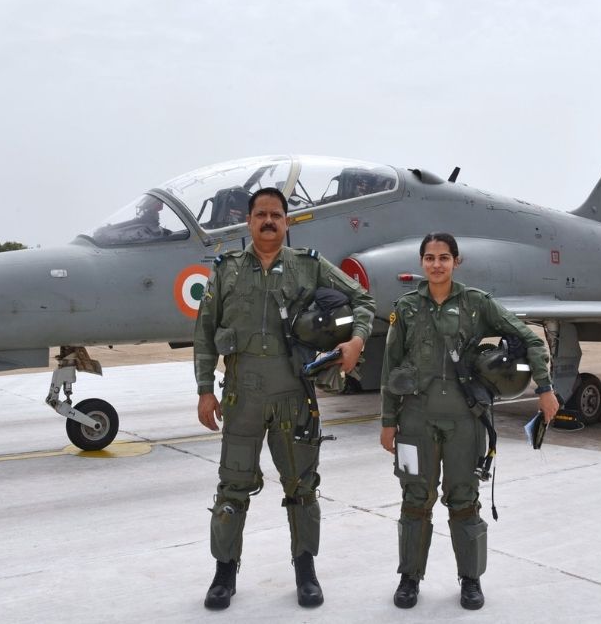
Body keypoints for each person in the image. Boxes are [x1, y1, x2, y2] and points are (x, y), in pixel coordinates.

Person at [194, 187, 376, 610]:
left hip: (294, 395)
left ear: (287, 221)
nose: (269, 221)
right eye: (261, 214)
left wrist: (356, 341)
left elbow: (363, 299)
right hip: (241, 397)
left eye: (277, 214)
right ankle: (224, 572)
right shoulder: (226, 271)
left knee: (303, 487)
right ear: (249, 221)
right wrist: (205, 389)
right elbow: (204, 334)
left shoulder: (309, 266)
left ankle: (305, 569)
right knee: (232, 487)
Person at [378, 232, 558, 610]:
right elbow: (390, 367)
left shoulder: (477, 304)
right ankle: (409, 577)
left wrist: (544, 388)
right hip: (415, 421)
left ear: (456, 261)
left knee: (464, 501)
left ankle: (470, 579)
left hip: (464, 421)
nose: (437, 264)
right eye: (430, 257)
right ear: (421, 262)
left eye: (444, 257)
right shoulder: (407, 308)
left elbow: (530, 339)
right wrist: (388, 420)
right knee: (414, 500)